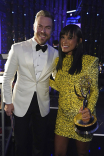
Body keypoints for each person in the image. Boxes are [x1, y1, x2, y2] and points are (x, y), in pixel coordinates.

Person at [2, 10, 58, 156]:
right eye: (40, 26)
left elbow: (58, 79)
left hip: (43, 103)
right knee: (20, 142)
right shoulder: (18, 48)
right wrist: (8, 102)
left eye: (47, 27)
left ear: (51, 30)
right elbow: (8, 77)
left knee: (40, 142)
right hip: (20, 102)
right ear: (34, 26)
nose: (43, 31)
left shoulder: (55, 53)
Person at [50, 24, 99, 156]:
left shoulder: (90, 62)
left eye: (70, 38)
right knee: (59, 153)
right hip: (63, 117)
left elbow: (94, 90)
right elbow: (59, 86)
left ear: (79, 41)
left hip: (82, 118)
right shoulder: (57, 62)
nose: (64, 41)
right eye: (63, 37)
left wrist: (88, 109)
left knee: (82, 153)